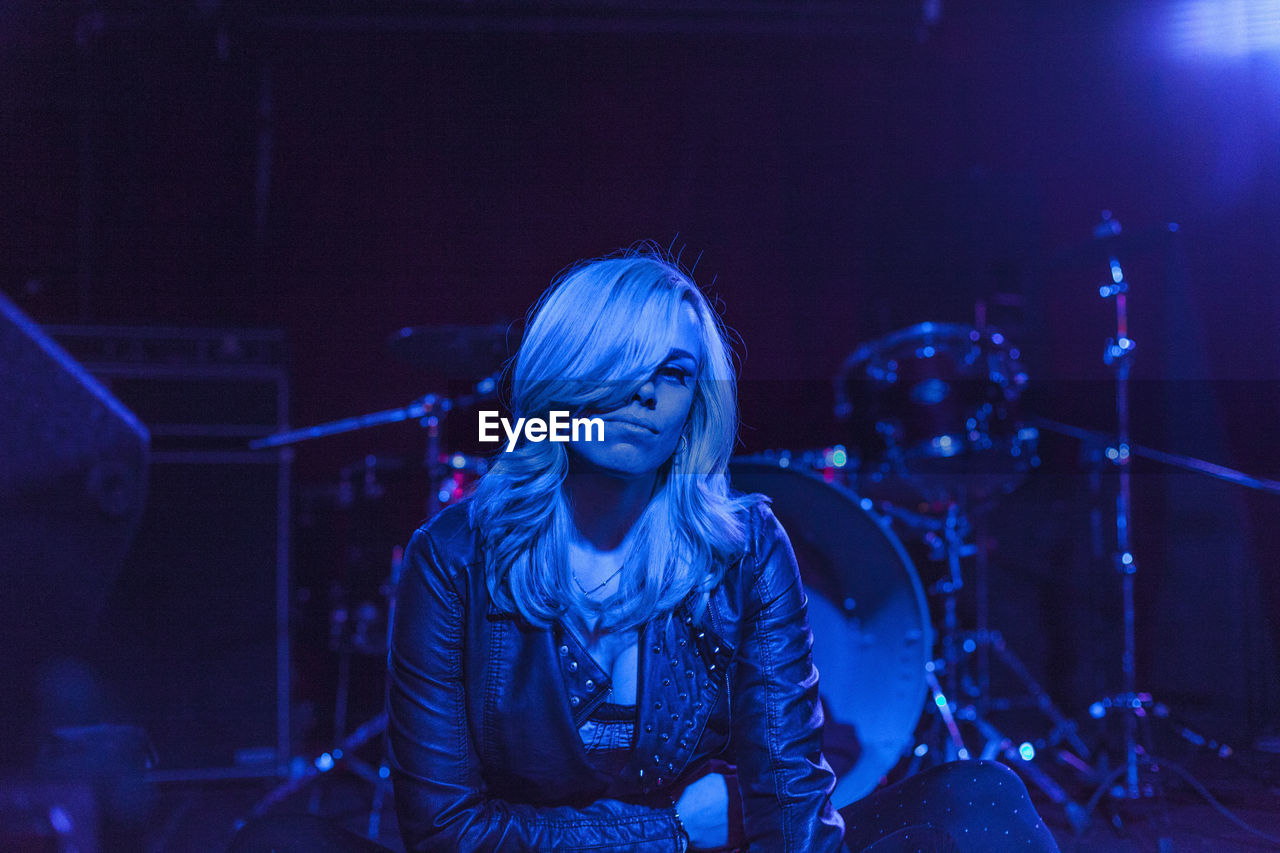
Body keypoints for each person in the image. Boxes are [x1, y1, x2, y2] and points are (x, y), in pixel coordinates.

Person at [231, 248, 1060, 852]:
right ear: (559, 380)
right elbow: (446, 830)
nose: (645, 393)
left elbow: (789, 793)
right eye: (617, 365)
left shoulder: (746, 542)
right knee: (279, 845)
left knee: (975, 797)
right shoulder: (453, 556)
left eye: (673, 372)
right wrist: (663, 830)